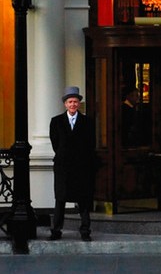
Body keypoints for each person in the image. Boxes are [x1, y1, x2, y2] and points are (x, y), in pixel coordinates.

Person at [49, 86, 96, 241]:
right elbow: (55, 143)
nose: (73, 104)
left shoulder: (88, 122)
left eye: (75, 102)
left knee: (83, 200)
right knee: (60, 200)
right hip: (63, 166)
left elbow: (90, 144)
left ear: (79, 103)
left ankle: (85, 231)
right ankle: (56, 231)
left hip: (81, 167)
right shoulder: (56, 122)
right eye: (70, 102)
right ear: (65, 104)